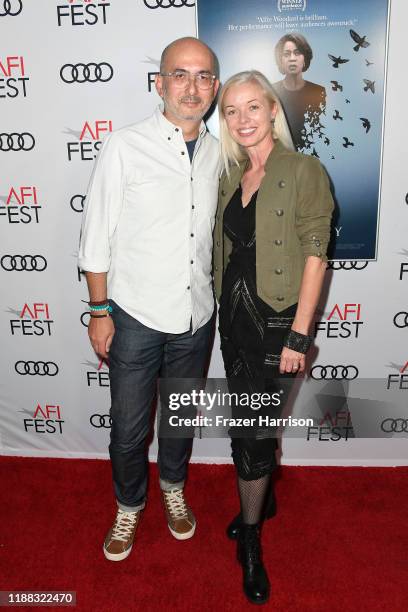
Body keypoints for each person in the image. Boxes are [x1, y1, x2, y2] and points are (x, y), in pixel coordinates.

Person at [78, 37, 220, 561]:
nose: (191, 86)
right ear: (158, 83)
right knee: (128, 429)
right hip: (133, 316)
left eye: (203, 76)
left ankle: (174, 489)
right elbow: (95, 238)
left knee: (179, 420)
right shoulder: (124, 145)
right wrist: (98, 312)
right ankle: (129, 505)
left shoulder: (218, 151)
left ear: (215, 87)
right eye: (179, 75)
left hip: (196, 317)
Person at [213, 70, 334, 604]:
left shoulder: (303, 169)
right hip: (232, 319)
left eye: (252, 108)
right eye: (231, 111)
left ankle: (253, 540)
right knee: (249, 421)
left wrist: (300, 337)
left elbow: (316, 255)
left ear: (271, 111)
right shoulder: (231, 174)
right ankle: (265, 499)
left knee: (254, 435)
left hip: (277, 321)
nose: (242, 120)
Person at [273, 33, 326, 150]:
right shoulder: (271, 92)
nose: (292, 58)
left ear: (305, 59)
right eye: (286, 54)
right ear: (280, 60)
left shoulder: (319, 92)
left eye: (297, 53)